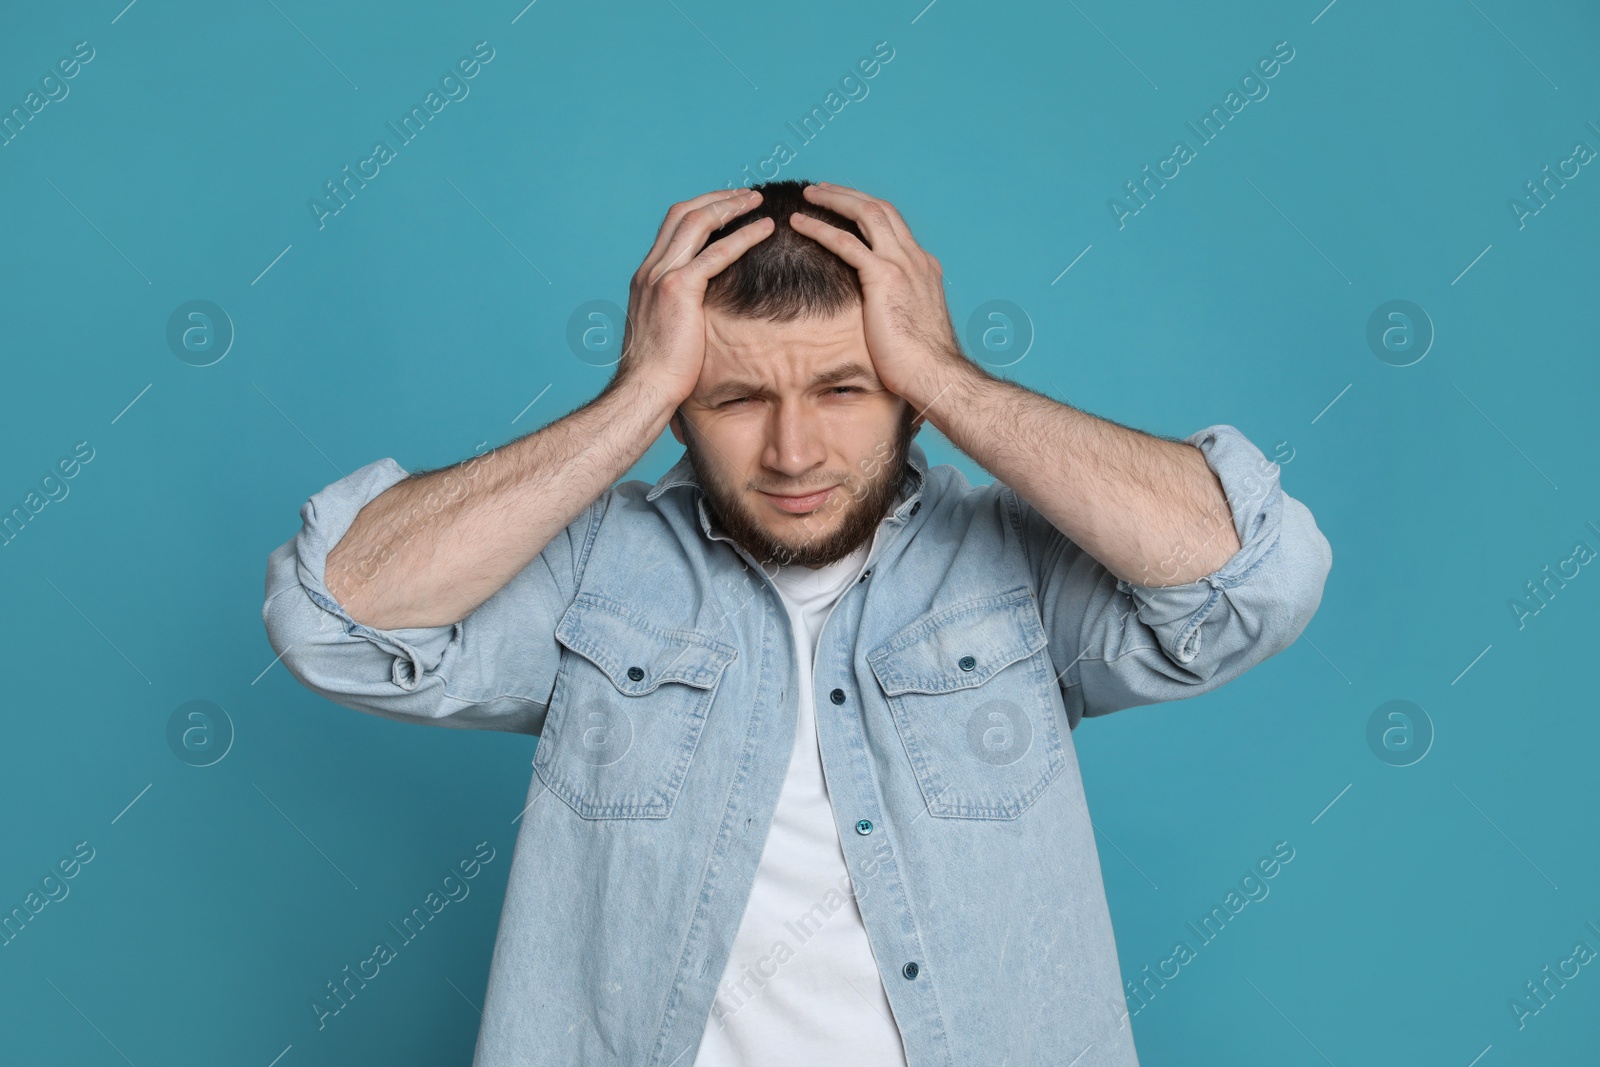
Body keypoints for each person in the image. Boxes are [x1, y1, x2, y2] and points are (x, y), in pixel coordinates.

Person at [261, 178, 1332, 1066]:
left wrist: (951, 376)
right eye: (734, 400)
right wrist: (627, 399)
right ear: (681, 407)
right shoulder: (595, 572)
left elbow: (1258, 579)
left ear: (910, 398)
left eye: (843, 389)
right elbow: (336, 616)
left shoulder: (1016, 567)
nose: (793, 452)